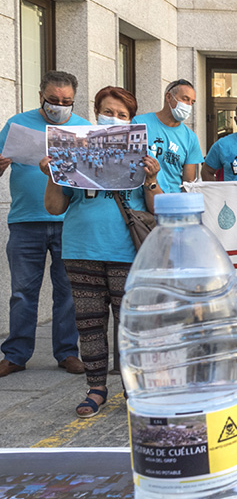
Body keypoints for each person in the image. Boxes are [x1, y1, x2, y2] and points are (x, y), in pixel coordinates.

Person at [40, 86, 161, 415]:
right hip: (81, 249)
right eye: (108, 112)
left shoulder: (143, 156)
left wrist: (152, 178)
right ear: (96, 114)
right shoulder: (75, 151)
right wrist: (54, 174)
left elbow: (159, 207)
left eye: (122, 115)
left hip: (125, 251)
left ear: (131, 122)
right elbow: (53, 207)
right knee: (89, 324)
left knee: (131, 325)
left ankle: (134, 389)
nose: (114, 118)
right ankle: (96, 389)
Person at [0, 71, 85, 378]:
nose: (59, 106)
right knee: (23, 291)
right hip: (25, 221)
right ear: (41, 97)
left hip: (69, 221)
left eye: (66, 102)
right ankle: (16, 355)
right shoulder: (17, 124)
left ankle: (67, 352)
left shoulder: (84, 129)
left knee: (67, 291)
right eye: (53, 100)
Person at [133, 80, 203, 193]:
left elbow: (188, 184)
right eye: (185, 99)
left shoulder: (191, 138)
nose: (189, 105)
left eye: (192, 102)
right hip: (141, 201)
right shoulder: (140, 123)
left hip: (172, 203)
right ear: (169, 97)